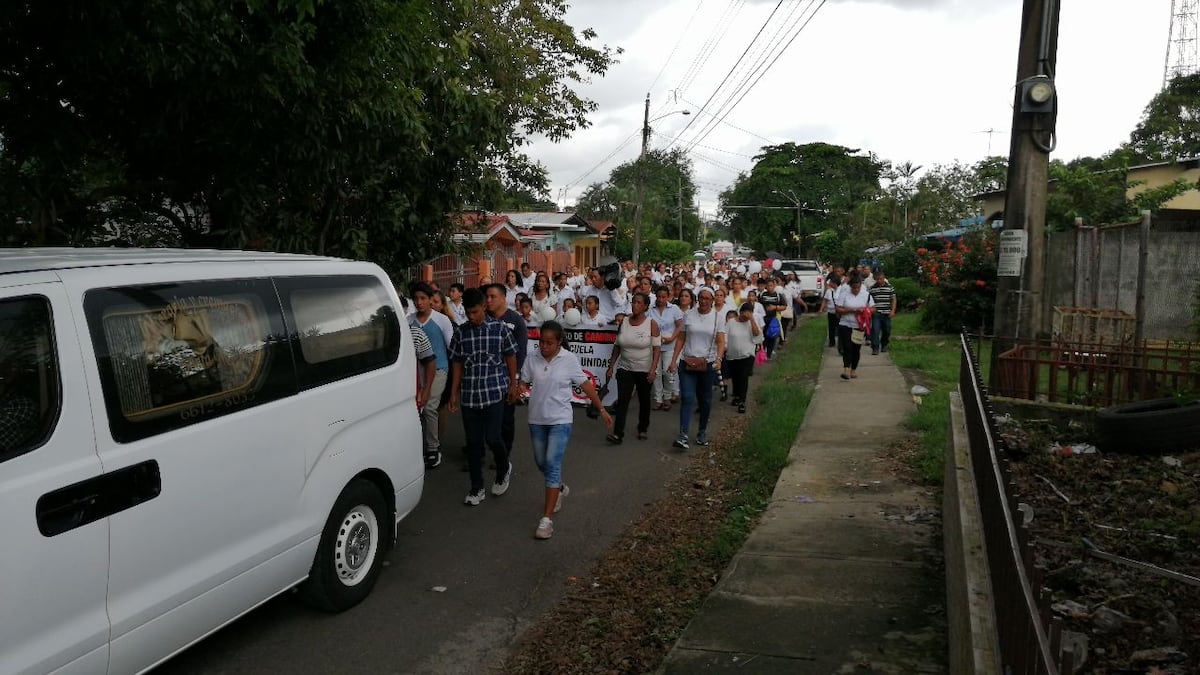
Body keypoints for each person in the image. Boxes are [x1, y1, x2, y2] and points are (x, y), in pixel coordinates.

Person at [518, 321, 611, 540]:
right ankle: (558, 487)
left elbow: (586, 385)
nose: (544, 346)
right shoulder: (532, 358)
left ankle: (546, 520)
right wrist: (520, 389)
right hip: (537, 419)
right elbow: (524, 382)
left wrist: (601, 408)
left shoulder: (569, 359)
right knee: (541, 461)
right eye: (542, 342)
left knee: (551, 463)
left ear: (560, 342)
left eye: (550, 343)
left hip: (560, 419)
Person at [448, 288, 519, 505]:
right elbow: (457, 364)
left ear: (484, 308)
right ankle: (476, 488)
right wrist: (453, 392)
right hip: (469, 396)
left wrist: (513, 385)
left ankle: (503, 468)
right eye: (468, 313)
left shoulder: (500, 329)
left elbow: (510, 356)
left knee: (493, 437)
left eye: (475, 312)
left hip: (494, 392)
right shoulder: (461, 332)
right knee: (473, 443)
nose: (471, 316)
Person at [670, 286, 726, 450]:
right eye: (701, 298)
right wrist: (674, 360)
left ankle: (702, 432)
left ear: (712, 300)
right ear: (697, 298)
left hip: (707, 364)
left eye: (707, 298)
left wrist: (719, 358)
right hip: (687, 362)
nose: (703, 301)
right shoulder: (688, 315)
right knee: (687, 397)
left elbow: (721, 341)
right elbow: (681, 338)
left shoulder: (717, 317)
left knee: (705, 400)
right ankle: (683, 435)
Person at [604, 292, 661, 444]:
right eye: (633, 302)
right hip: (625, 368)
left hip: (644, 369)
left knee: (644, 400)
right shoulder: (624, 322)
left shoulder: (651, 324)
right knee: (623, 401)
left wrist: (653, 369)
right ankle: (618, 434)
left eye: (638, 303)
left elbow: (657, 349)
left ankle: (642, 428)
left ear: (645, 306)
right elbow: (617, 345)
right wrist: (611, 366)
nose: (635, 305)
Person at [410, 282, 454, 469]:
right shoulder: (408, 320)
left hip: (439, 369)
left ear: (430, 300)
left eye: (423, 299)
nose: (419, 303)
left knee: (429, 407)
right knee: (413, 409)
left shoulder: (442, 320)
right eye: (416, 299)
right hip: (414, 373)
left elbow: (451, 347)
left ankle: (433, 448)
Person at [484, 283, 528, 469]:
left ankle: (503, 455)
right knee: (484, 419)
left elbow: (521, 352)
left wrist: (515, 380)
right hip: (485, 379)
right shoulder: (483, 318)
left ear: (503, 298)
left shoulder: (515, 320)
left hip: (507, 378)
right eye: (487, 296)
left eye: (493, 296)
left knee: (505, 420)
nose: (488, 300)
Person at [649, 285, 684, 411]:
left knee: (668, 372)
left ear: (668, 297)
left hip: (670, 344)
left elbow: (680, 325)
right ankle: (658, 398)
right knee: (656, 372)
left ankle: (667, 396)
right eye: (658, 297)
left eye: (663, 297)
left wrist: (673, 337)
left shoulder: (674, 309)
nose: (661, 299)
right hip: (654, 345)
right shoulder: (650, 309)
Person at [723, 303, 762, 414]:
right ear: (741, 312)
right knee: (735, 377)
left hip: (747, 355)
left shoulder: (751, 323)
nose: (747, 315)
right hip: (733, 355)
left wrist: (752, 320)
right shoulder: (731, 323)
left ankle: (742, 402)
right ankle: (737, 395)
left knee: (743, 377)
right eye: (746, 312)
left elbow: (757, 336)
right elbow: (725, 336)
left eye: (750, 313)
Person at [835, 271, 873, 381]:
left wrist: (865, 310)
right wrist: (851, 310)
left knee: (856, 348)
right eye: (854, 288)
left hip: (859, 326)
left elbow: (873, 308)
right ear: (850, 286)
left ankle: (854, 369)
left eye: (858, 288)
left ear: (861, 286)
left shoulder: (866, 295)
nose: (856, 290)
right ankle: (846, 369)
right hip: (845, 324)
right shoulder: (844, 294)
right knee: (847, 347)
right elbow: (838, 309)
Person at [868, 268, 896, 355]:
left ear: (884, 278)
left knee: (887, 330)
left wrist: (893, 310)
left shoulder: (890, 288)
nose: (879, 280)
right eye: (878, 279)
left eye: (881, 278)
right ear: (875, 279)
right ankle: (875, 347)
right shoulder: (872, 289)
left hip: (887, 313)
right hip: (876, 313)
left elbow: (893, 299)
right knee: (875, 330)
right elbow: (869, 300)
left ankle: (884, 345)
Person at [820, 275, 841, 351]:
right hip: (831, 311)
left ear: (834, 283)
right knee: (831, 327)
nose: (829, 283)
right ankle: (831, 341)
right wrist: (821, 309)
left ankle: (841, 343)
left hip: (839, 312)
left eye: (831, 282)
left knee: (840, 328)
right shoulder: (829, 291)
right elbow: (825, 300)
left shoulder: (842, 290)